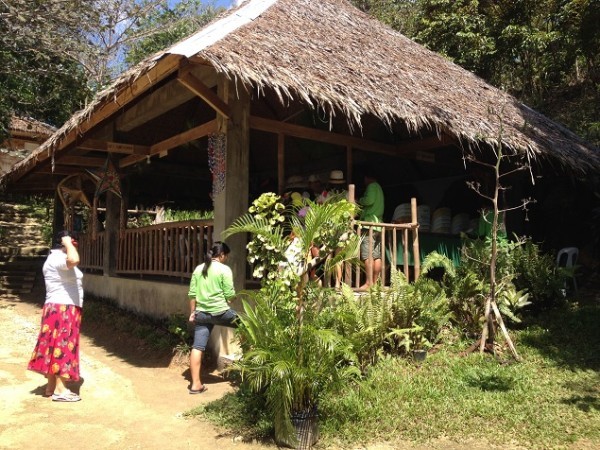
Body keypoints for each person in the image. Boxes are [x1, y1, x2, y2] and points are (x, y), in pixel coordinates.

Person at [28, 230, 83, 402]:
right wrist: (67, 242)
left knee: (54, 345)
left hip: (56, 307)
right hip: (63, 308)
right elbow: (74, 259)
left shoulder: (53, 258)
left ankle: (51, 386)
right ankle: (61, 390)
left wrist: (67, 244)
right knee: (64, 344)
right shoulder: (59, 257)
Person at [187, 241, 238, 394]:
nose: (226, 259)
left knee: (197, 346)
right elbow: (230, 296)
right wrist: (231, 299)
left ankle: (195, 385)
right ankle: (250, 365)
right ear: (222, 255)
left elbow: (192, 294)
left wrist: (192, 312)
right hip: (222, 313)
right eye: (226, 256)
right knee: (247, 326)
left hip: (201, 314)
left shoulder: (198, 268)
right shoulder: (224, 269)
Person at [358, 167, 385, 290]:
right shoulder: (379, 188)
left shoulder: (372, 187)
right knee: (376, 255)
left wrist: (359, 201)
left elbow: (369, 200)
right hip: (378, 225)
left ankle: (369, 283)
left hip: (369, 224)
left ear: (367, 178)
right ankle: (375, 282)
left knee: (368, 255)